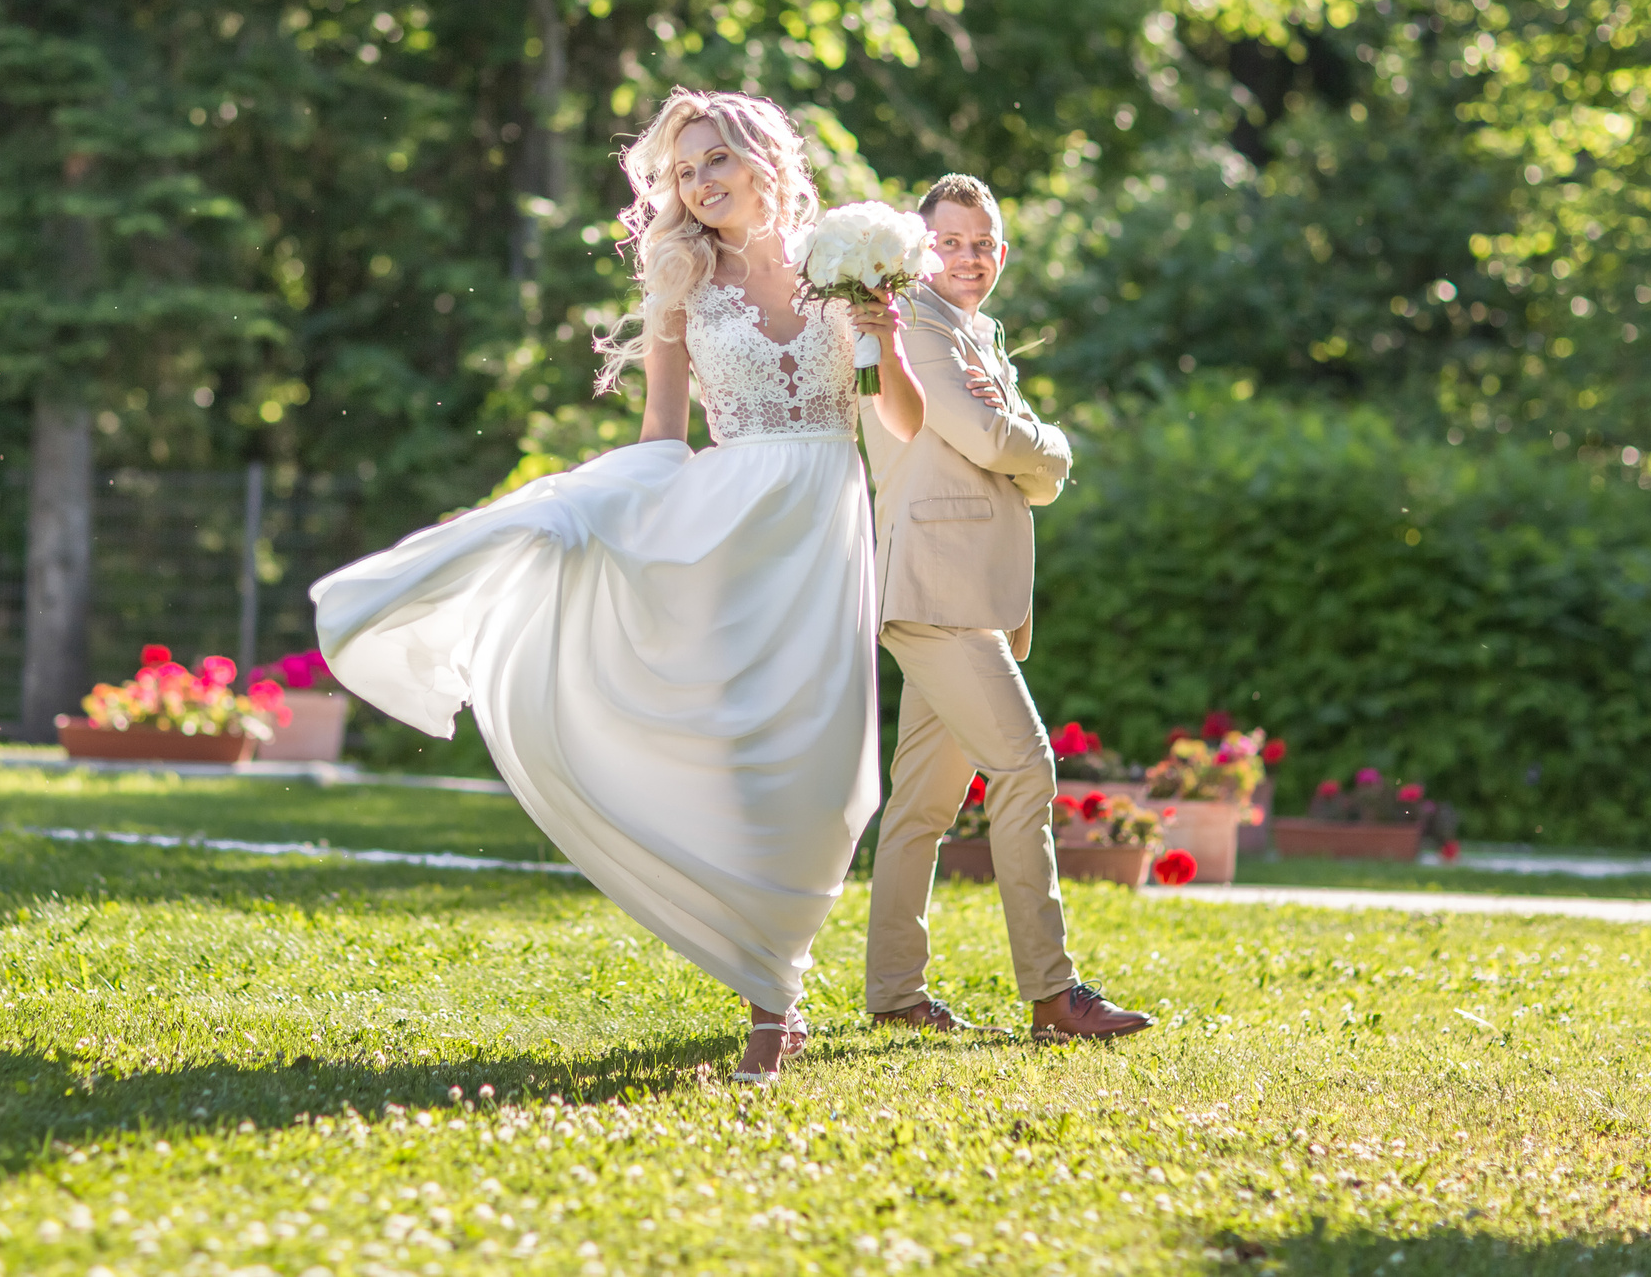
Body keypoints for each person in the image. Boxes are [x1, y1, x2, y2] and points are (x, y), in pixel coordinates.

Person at [312, 89, 926, 1084]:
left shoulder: (840, 263)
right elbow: (663, 430)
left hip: (822, 522)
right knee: (741, 754)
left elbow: (896, 421)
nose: (700, 184)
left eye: (715, 160)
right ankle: (775, 996)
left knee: (820, 765)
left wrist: (880, 333)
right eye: (682, 172)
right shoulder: (681, 275)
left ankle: (776, 974)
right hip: (724, 526)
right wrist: (598, 510)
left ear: (764, 155)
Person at [855, 174, 1153, 1044]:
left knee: (920, 805)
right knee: (1026, 768)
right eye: (949, 241)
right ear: (919, 247)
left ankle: (893, 992)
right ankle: (1054, 997)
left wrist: (1029, 454)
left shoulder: (972, 332)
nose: (968, 258)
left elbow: (1005, 451)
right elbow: (997, 441)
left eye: (983, 243)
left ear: (1003, 251)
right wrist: (1053, 447)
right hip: (936, 590)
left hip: (968, 593)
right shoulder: (913, 324)